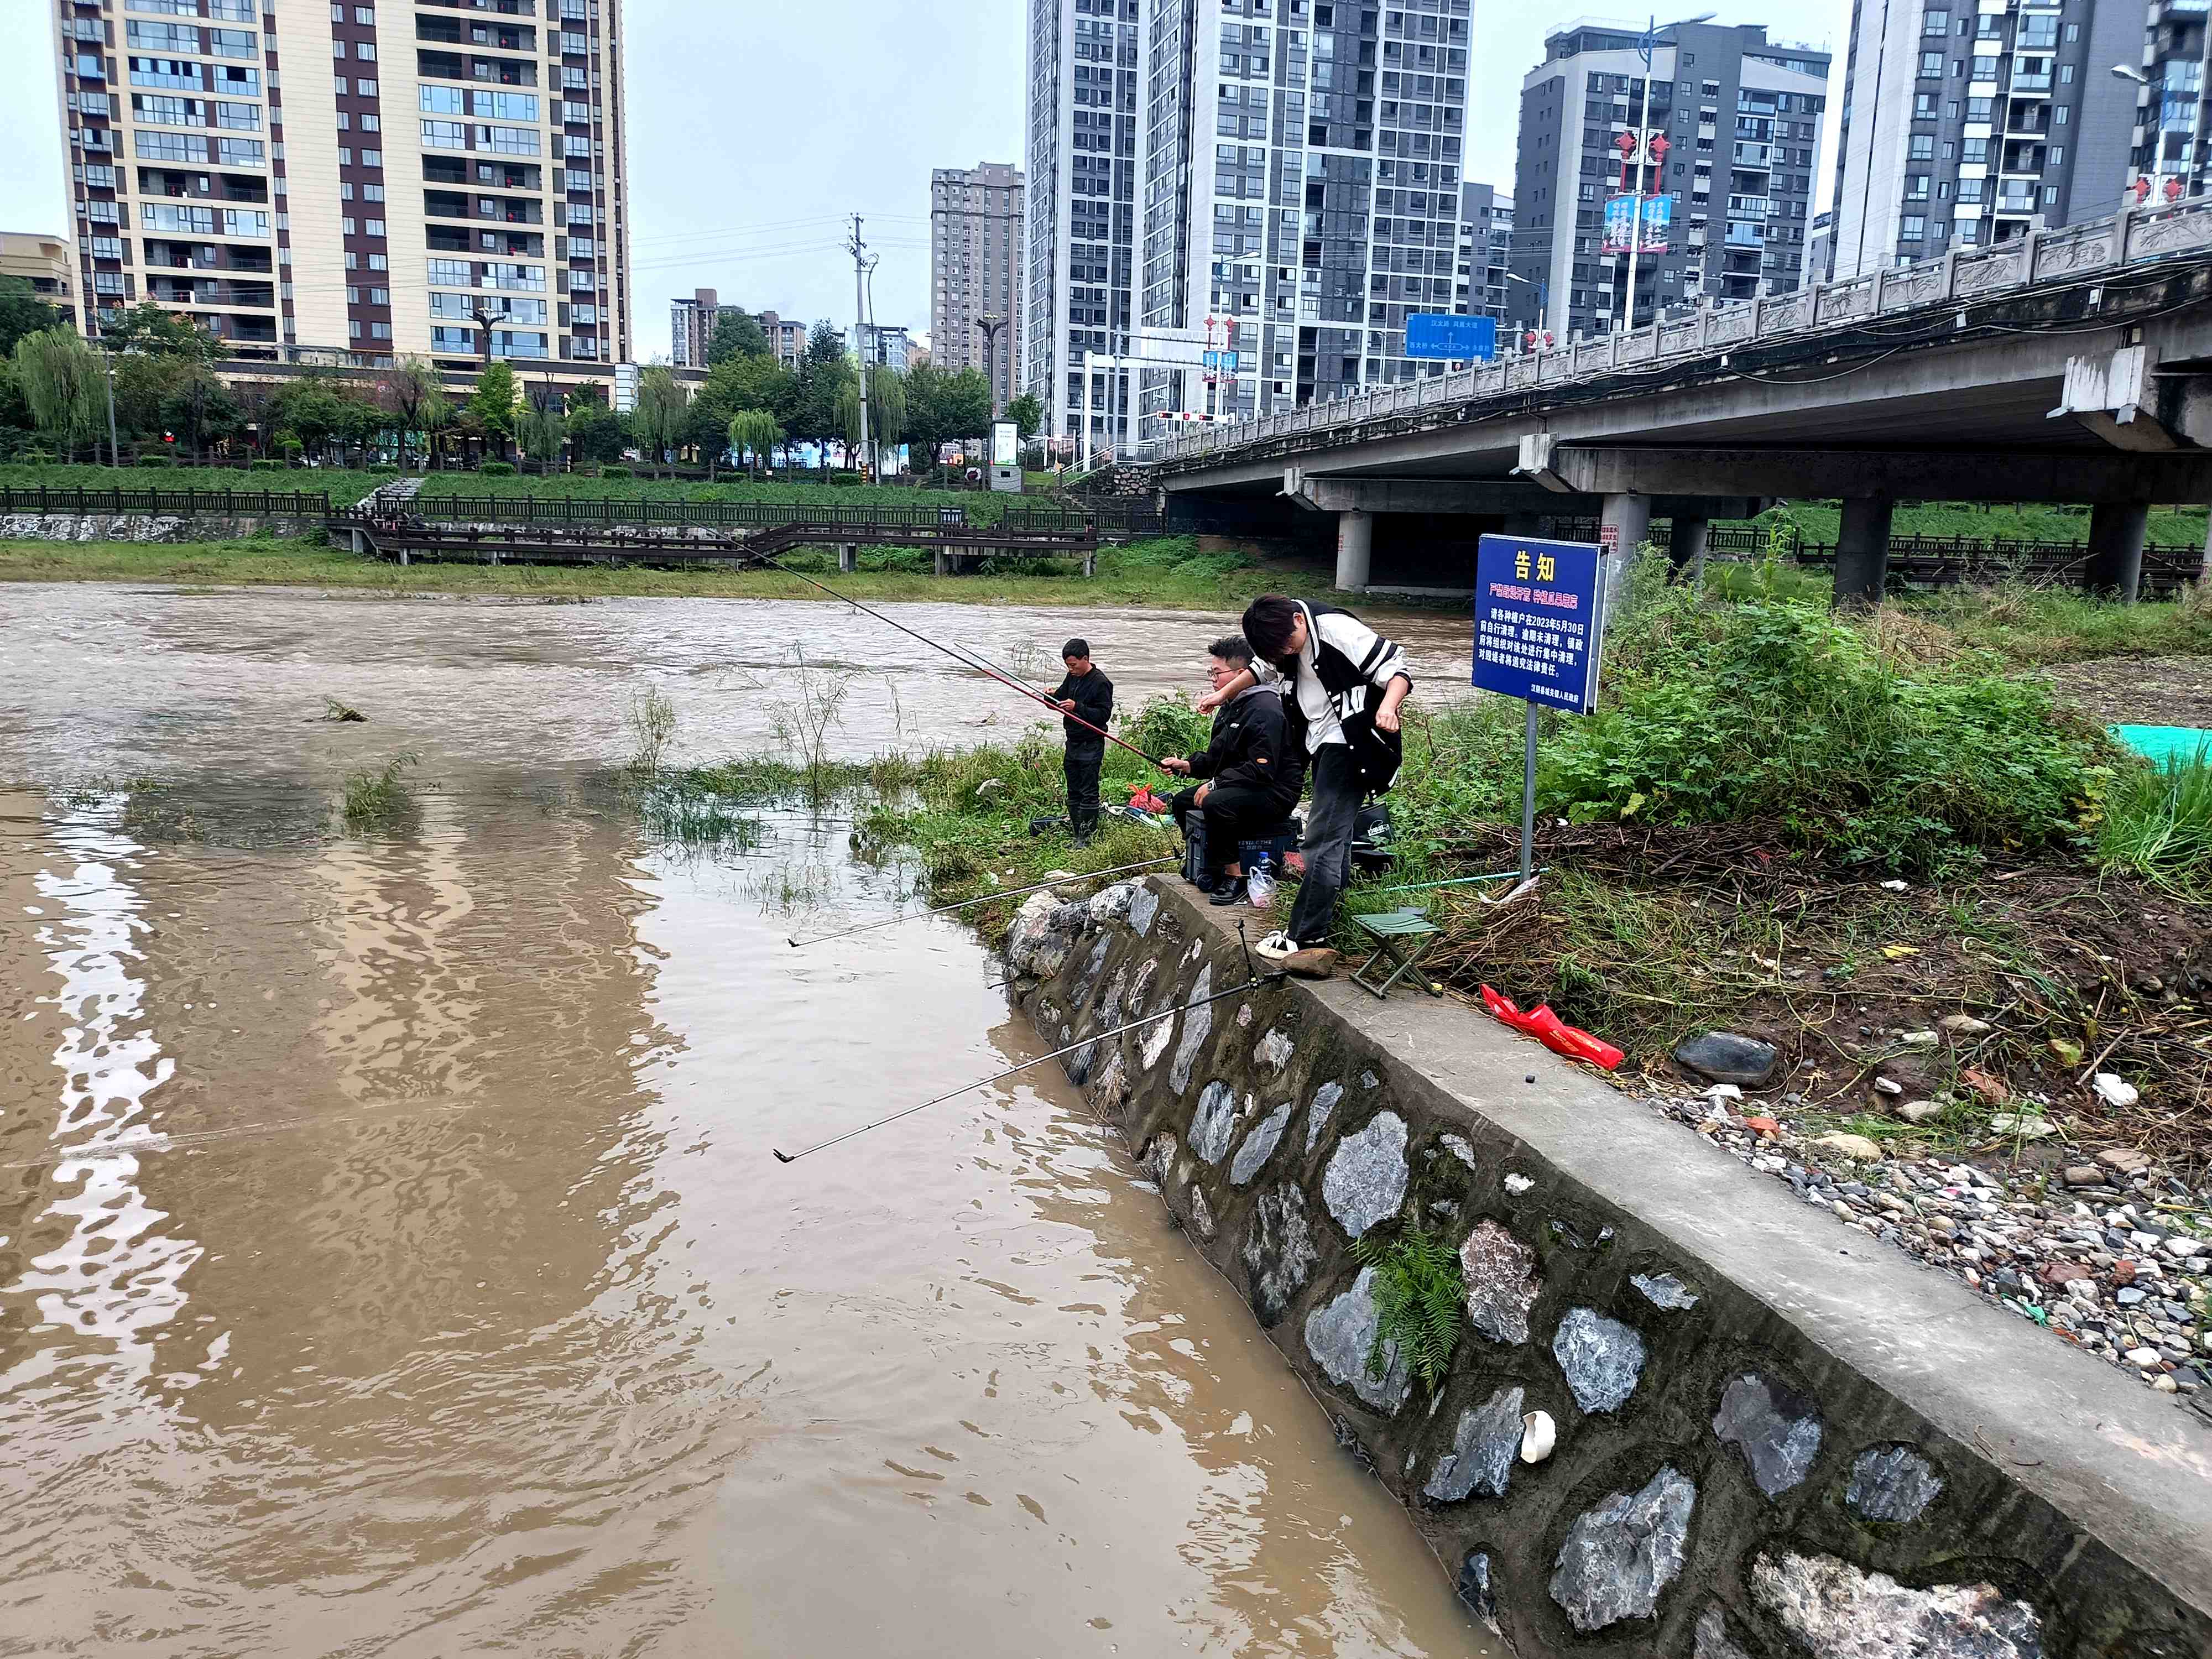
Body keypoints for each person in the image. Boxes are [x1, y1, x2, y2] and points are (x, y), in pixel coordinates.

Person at [1207, 595, 1411, 978]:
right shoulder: (1283, 638)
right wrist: (1222, 694)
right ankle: (1337, 899)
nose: (1285, 653)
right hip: (1320, 738)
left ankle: (1306, 935)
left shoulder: (1337, 629)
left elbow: (1396, 668)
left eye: (1288, 645)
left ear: (1300, 620)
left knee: (1321, 840)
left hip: (1353, 741)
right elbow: (1260, 669)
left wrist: (1388, 706)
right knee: (1337, 832)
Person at [1160, 635, 1301, 907]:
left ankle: (1235, 877)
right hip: (1244, 785)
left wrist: (1215, 784)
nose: (1212, 679)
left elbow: (1262, 770)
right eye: (1210, 672)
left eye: (1217, 673)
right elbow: (1219, 758)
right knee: (1181, 802)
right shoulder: (1231, 706)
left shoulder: (1266, 708)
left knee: (1215, 802)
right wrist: (1187, 766)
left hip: (1274, 791)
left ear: (1241, 673)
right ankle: (1208, 864)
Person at [1052, 638, 1114, 847]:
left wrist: (1077, 707)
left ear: (1085, 659)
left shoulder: (1101, 682)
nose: (1070, 669)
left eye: (1073, 665)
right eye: (1068, 666)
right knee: (1073, 790)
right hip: (1073, 742)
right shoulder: (1072, 678)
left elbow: (1103, 715)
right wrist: (1050, 698)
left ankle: (1087, 838)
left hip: (1092, 744)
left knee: (1088, 791)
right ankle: (1077, 833)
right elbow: (1060, 699)